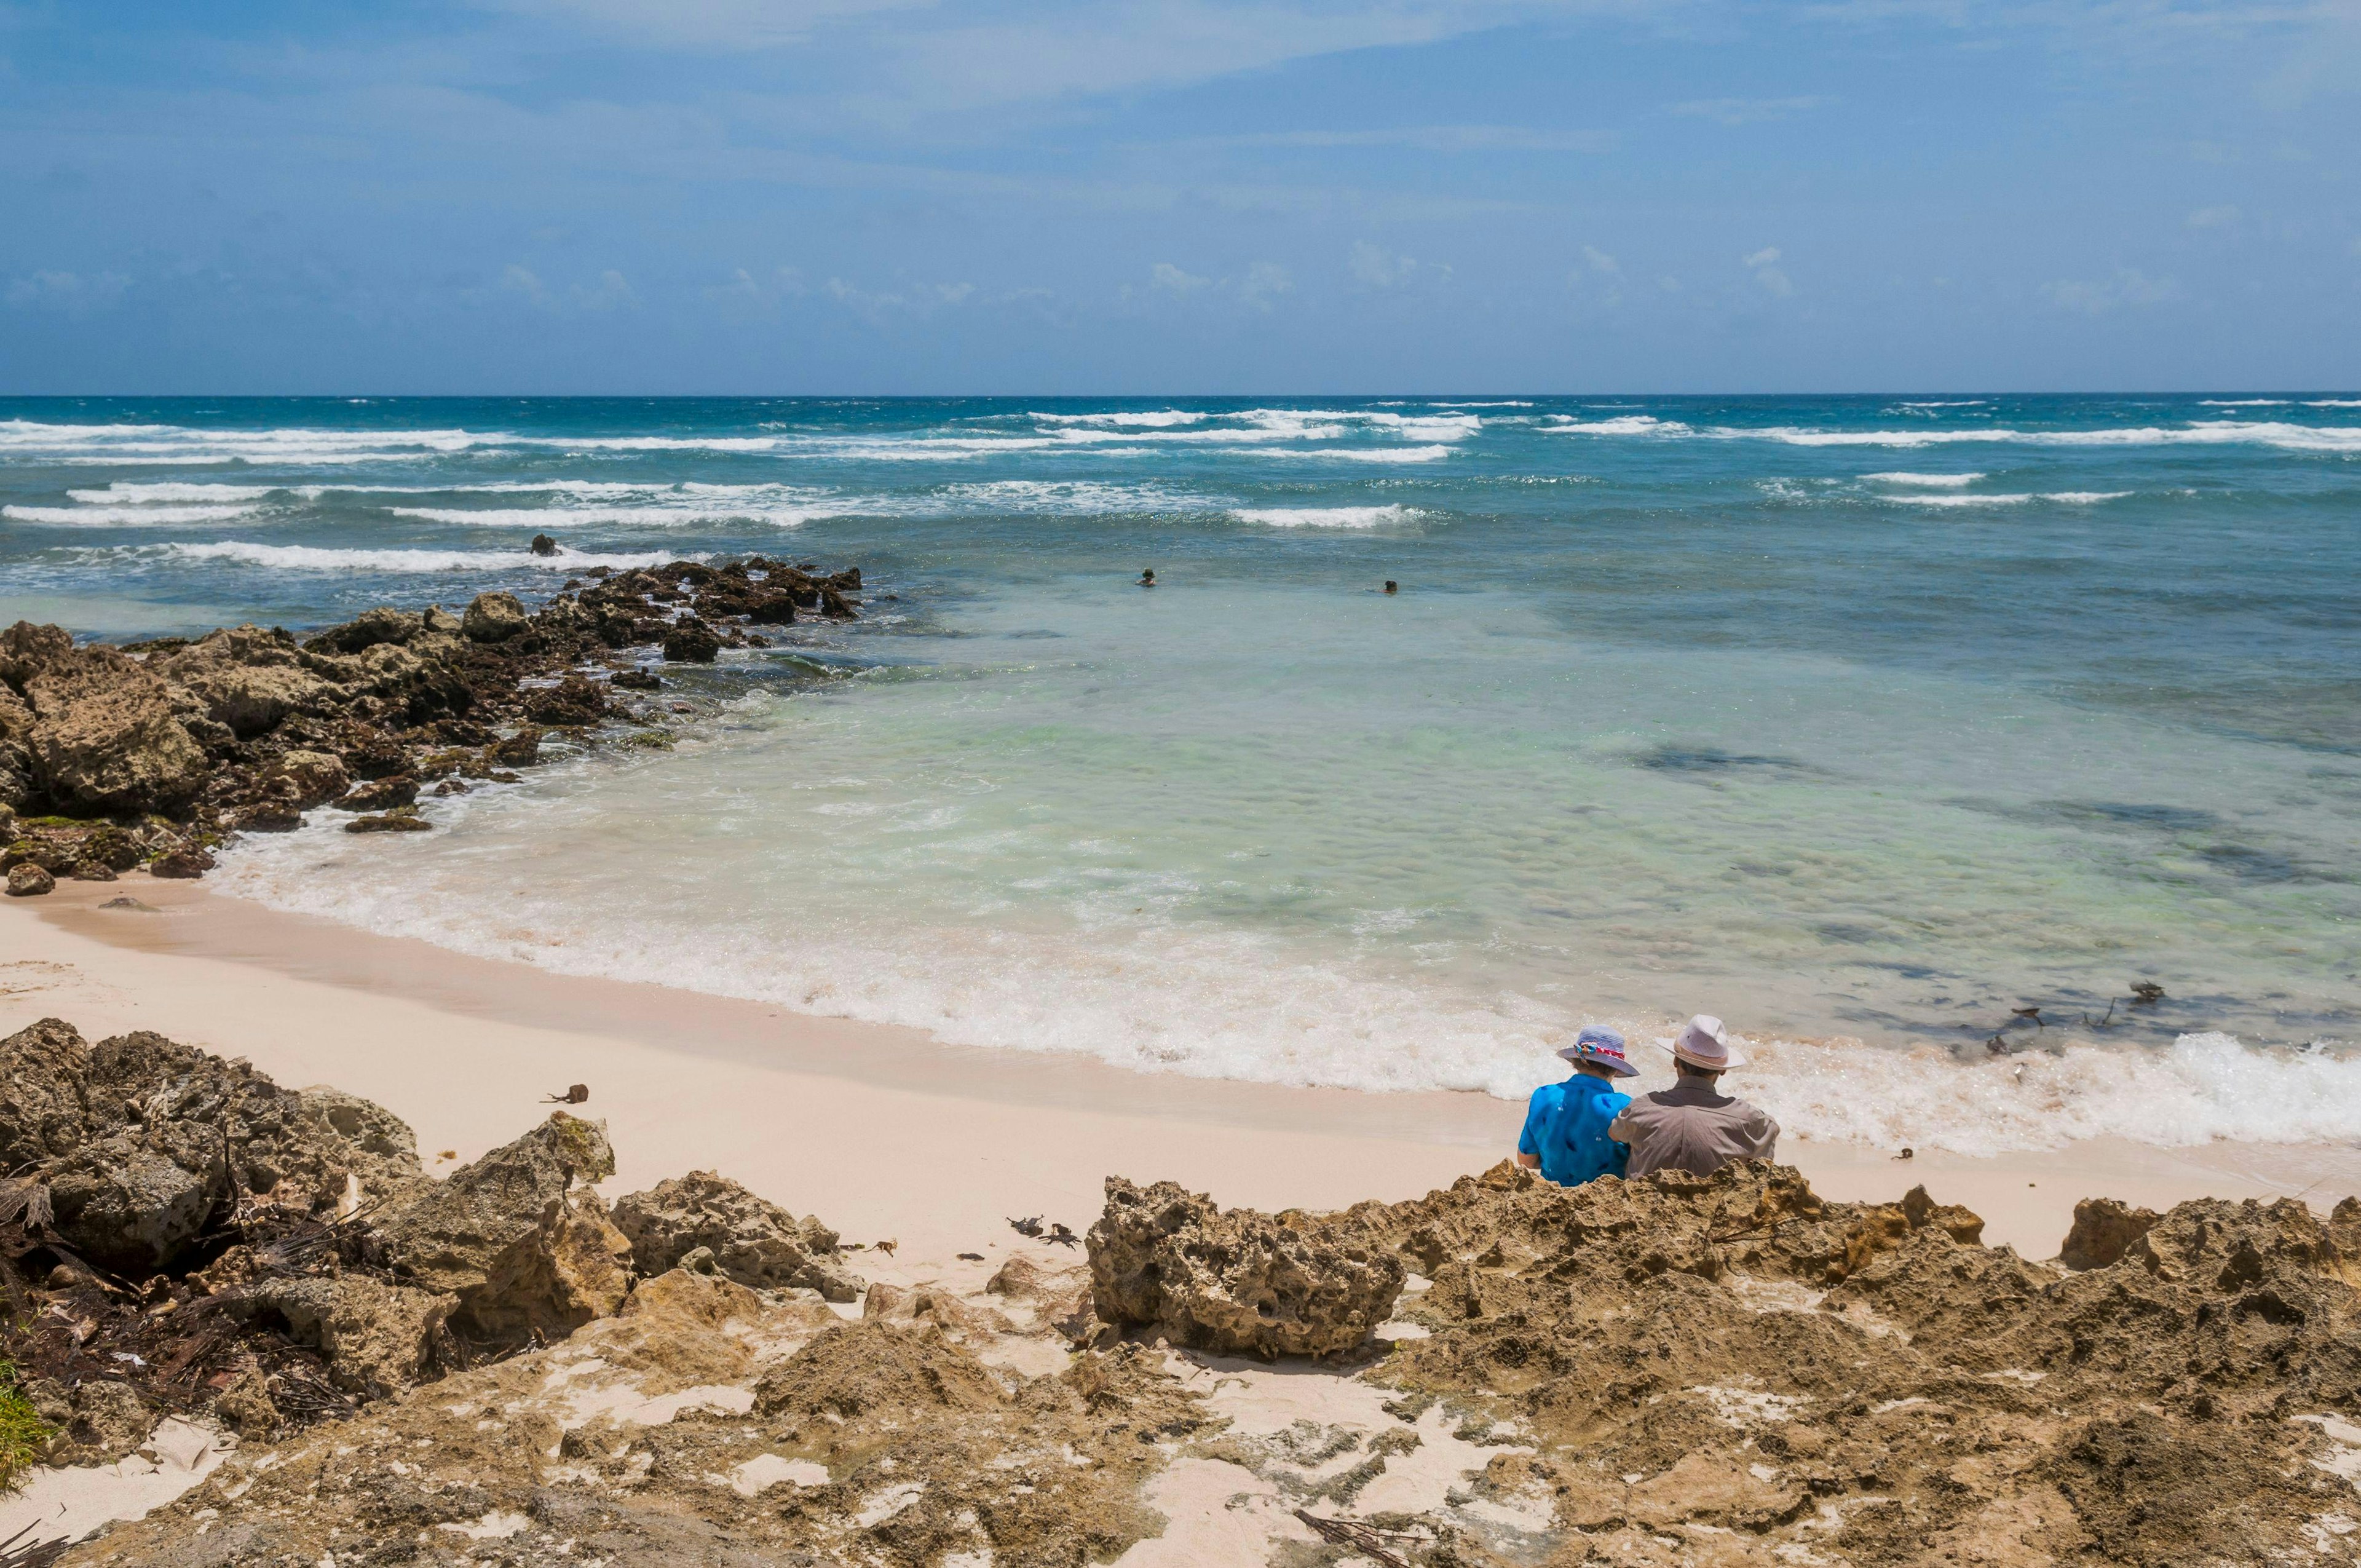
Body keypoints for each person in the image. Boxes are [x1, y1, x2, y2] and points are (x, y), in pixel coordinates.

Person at [1608, 1015, 1779, 1178]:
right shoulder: (1750, 1121)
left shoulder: (1641, 1108)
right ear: (1723, 1070)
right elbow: (1769, 1136)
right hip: (1717, 1206)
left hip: (1646, 1204)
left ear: (1676, 1061)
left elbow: (1614, 1134)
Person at [1516, 1026, 1639, 1187]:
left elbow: (1527, 1161)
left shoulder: (1543, 1095)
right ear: (1616, 1068)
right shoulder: (1626, 1107)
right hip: (1605, 1202)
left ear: (1576, 1060)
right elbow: (1636, 1169)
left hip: (1551, 1197)